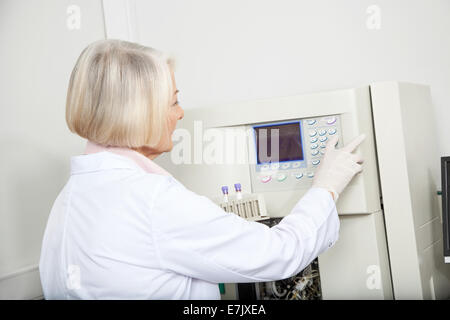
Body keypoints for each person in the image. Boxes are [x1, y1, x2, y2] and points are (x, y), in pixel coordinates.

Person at [39, 39, 365, 299]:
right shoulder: (152, 202)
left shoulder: (67, 202)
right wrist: (326, 187)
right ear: (141, 115)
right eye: (173, 102)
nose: (181, 114)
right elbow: (279, 253)